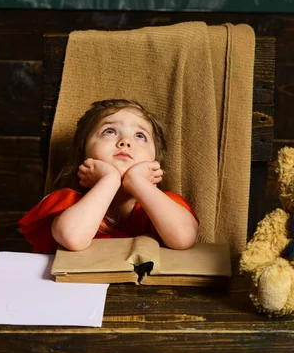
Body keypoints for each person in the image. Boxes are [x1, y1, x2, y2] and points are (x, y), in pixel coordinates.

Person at [19, 99, 199, 253]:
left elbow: (183, 238)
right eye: (109, 131)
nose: (125, 142)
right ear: (84, 155)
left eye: (140, 136)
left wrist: (137, 182)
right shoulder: (68, 202)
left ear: (155, 161)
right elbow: (71, 237)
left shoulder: (165, 204)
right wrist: (109, 180)